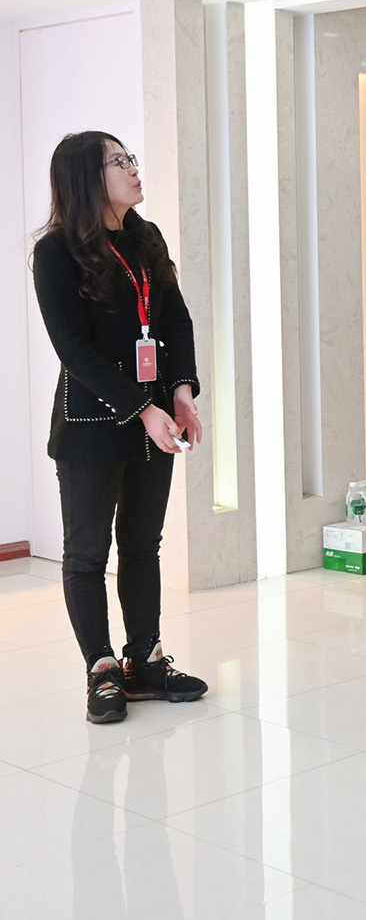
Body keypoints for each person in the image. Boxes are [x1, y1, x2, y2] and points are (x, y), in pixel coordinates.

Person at [32, 131, 208, 724]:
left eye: (131, 157)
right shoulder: (56, 252)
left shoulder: (146, 237)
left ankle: (145, 662)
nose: (134, 168)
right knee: (87, 554)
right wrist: (144, 408)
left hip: (154, 418)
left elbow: (175, 321)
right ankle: (102, 670)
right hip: (92, 422)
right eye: (119, 160)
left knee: (142, 545)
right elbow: (74, 349)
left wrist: (180, 392)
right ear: (87, 177)